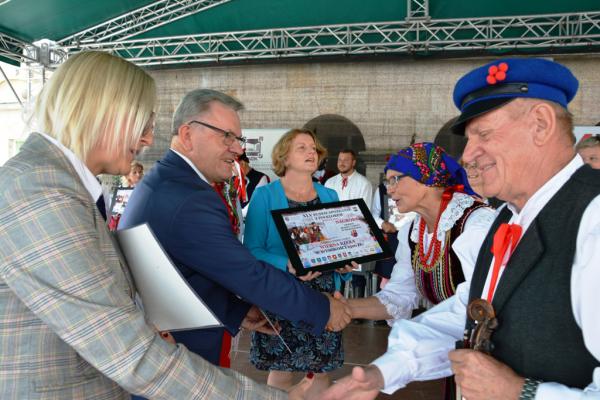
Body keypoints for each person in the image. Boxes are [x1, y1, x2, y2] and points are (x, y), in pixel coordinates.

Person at [0, 51, 302, 400]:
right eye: (142, 123)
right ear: (103, 112)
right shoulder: (43, 190)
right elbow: (127, 352)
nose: (146, 139)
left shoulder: (56, 182)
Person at [322, 58, 600, 400]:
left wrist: (520, 392)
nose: (467, 155)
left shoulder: (592, 220)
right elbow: (472, 312)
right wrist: (382, 373)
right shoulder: (509, 218)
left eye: (483, 134)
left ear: (540, 124)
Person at [119, 89, 352, 367]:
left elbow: (182, 274)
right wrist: (322, 308)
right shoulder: (189, 197)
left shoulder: (169, 182)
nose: (239, 149)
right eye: (226, 136)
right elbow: (248, 273)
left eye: (238, 139)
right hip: (179, 356)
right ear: (187, 135)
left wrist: (237, 311)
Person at [345, 143, 494, 357]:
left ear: (427, 179)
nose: (389, 189)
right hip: (456, 350)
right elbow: (398, 296)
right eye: (388, 181)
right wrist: (346, 308)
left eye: (396, 179)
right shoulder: (413, 231)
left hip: (490, 353)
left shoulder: (476, 225)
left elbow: (475, 307)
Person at [244, 129, 353, 393]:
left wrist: (342, 263)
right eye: (301, 148)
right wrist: (288, 264)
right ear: (285, 156)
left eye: (313, 148)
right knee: (281, 368)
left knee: (320, 370)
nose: (310, 153)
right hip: (283, 290)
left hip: (323, 292)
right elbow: (252, 249)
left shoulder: (329, 196)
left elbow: (336, 244)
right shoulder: (265, 195)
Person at [108, 161, 146, 230]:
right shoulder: (120, 192)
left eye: (140, 172)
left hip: (139, 223)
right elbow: (114, 212)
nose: (138, 174)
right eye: (134, 172)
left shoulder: (146, 190)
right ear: (127, 175)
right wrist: (115, 215)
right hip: (123, 224)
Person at [238, 151, 270, 217]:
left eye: (233, 166)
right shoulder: (233, 179)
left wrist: (235, 215)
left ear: (242, 164)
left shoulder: (261, 178)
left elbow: (254, 206)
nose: (231, 169)